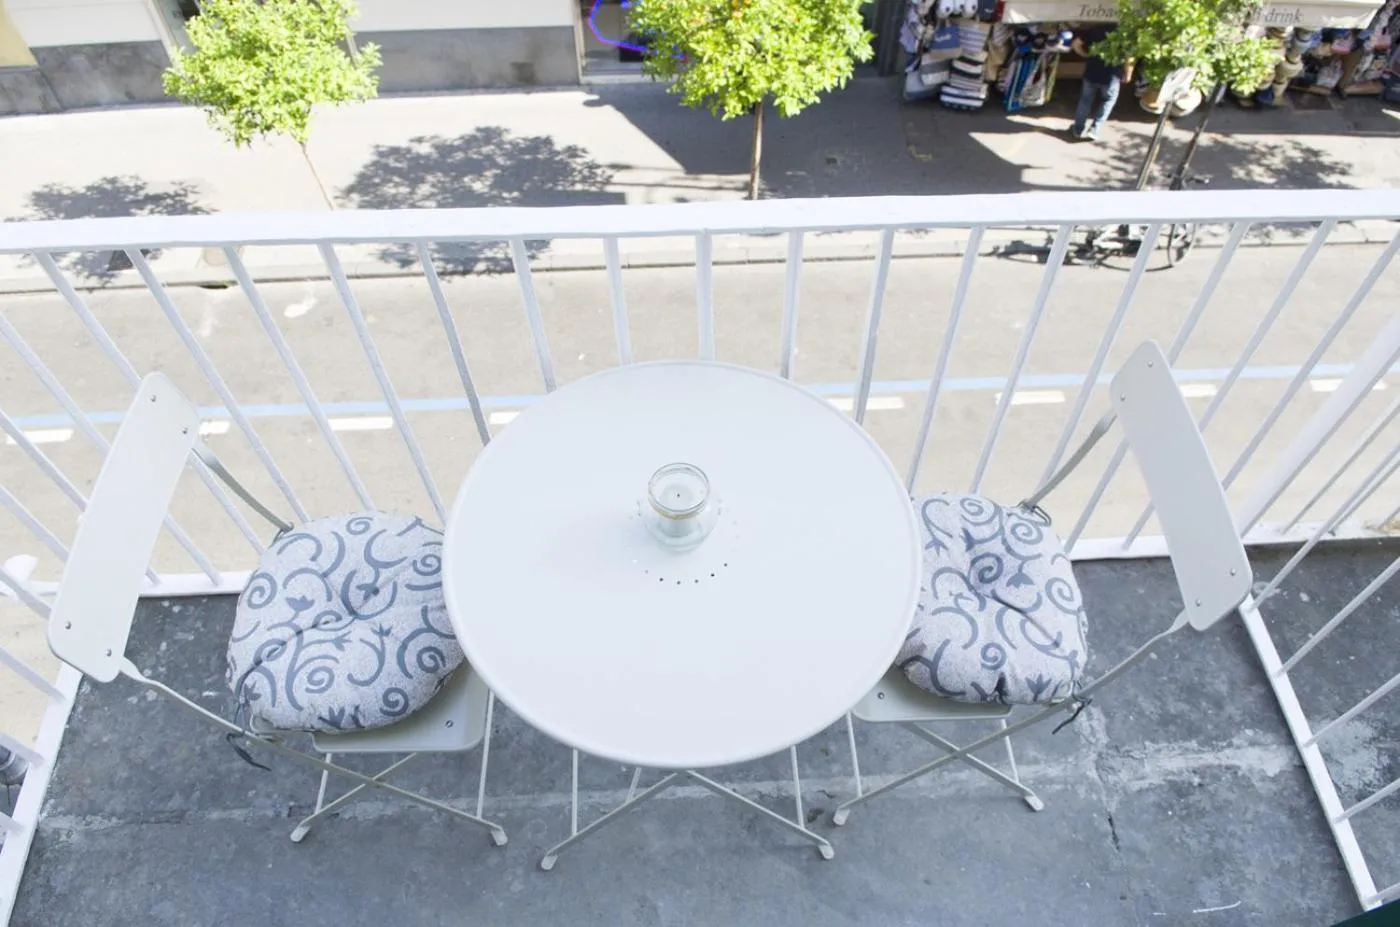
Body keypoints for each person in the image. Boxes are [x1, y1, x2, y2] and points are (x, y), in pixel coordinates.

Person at [1070, 25, 1133, 141]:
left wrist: (1085, 54)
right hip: (1111, 76)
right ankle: (1094, 129)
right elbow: (1129, 58)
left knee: (1085, 101)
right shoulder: (1124, 36)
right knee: (1108, 101)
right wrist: (1128, 75)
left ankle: (1078, 129)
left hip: (1091, 72)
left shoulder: (1095, 29)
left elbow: (1075, 44)